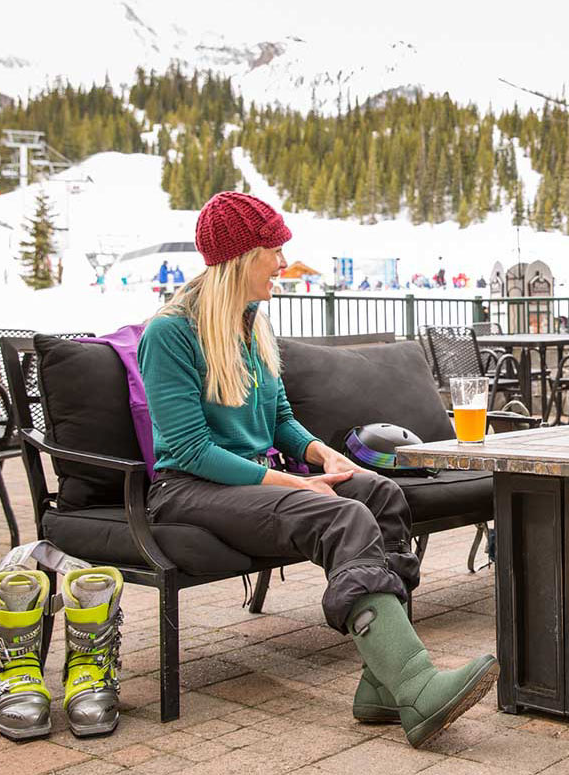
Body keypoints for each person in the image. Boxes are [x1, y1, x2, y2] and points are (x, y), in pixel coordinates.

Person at [138, 192, 496, 747]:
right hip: (189, 490)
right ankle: (416, 683)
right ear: (238, 258)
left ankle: (380, 682)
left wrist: (322, 455)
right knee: (341, 516)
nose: (283, 263)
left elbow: (280, 419)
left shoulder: (251, 324)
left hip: (251, 480)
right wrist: (294, 484)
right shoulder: (171, 333)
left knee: (377, 492)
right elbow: (190, 451)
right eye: (273, 251)